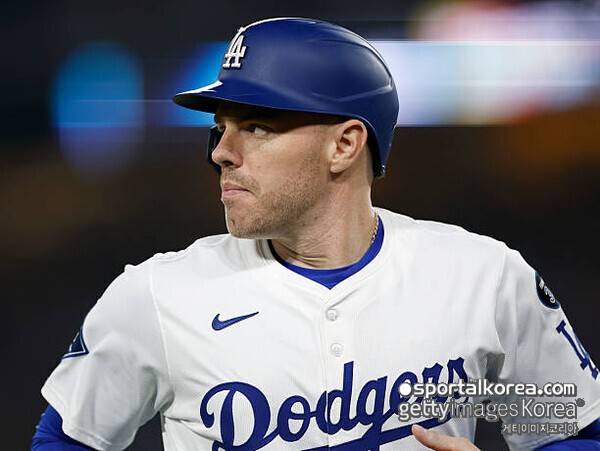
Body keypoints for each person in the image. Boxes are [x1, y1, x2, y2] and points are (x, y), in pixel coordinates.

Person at [32, 17, 600, 451]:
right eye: (220, 128)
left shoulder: (484, 278)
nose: (222, 152)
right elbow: (65, 438)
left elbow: (572, 430)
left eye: (256, 126)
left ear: (345, 145)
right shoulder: (156, 295)